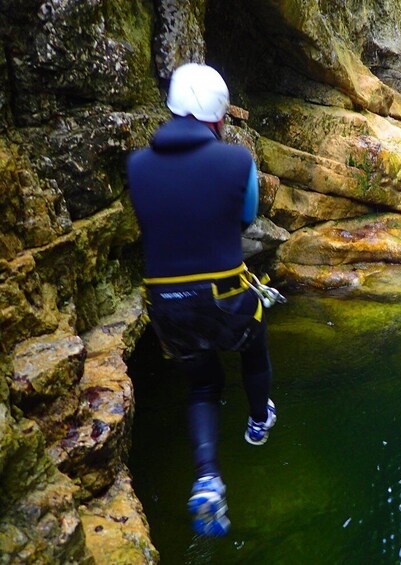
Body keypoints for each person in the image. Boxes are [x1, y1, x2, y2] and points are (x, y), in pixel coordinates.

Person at [127, 63, 276, 537]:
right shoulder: (236, 162)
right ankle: (258, 421)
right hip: (226, 297)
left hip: (168, 307)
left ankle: (208, 478)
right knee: (253, 346)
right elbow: (247, 215)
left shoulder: (137, 165)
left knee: (203, 386)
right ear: (218, 118)